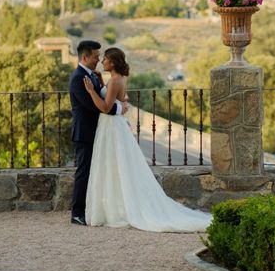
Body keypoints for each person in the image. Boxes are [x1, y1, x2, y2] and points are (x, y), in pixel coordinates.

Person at [82, 47, 212, 232]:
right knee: (117, 167)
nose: (102, 62)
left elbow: (104, 107)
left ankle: (116, 209)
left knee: (113, 166)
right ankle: (116, 207)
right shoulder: (118, 80)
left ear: (113, 62)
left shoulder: (115, 82)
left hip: (110, 127)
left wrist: (91, 91)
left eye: (105, 59)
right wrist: (102, 83)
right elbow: (121, 100)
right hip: (113, 126)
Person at [69, 40, 126, 226]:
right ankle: (77, 213)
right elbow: (95, 107)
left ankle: (95, 209)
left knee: (100, 172)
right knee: (83, 172)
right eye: (95, 57)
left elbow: (104, 96)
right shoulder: (79, 78)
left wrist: (101, 86)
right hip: (85, 132)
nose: (98, 60)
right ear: (85, 57)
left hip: (101, 132)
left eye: (101, 57)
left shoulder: (92, 75)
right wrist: (119, 108)